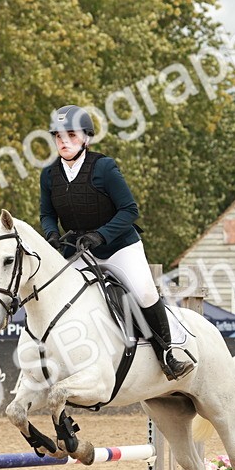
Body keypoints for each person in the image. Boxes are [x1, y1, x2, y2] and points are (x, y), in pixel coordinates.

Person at [39, 104, 192, 380]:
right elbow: (47, 214)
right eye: (58, 136)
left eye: (71, 136)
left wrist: (101, 235)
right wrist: (50, 233)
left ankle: (167, 353)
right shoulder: (49, 175)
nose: (63, 142)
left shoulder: (104, 168)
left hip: (119, 246)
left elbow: (130, 210)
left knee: (144, 292)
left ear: (86, 138)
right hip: (78, 250)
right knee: (58, 297)